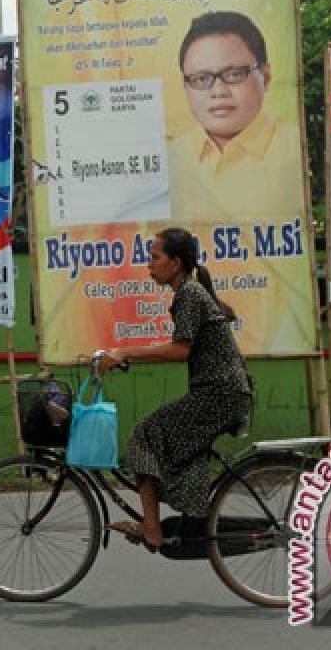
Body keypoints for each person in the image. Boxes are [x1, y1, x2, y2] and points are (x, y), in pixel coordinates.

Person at [97, 227, 252, 550]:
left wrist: (126, 352)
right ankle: (192, 521)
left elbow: (181, 349)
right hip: (221, 392)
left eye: (155, 258)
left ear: (176, 263)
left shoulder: (190, 295)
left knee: (146, 436)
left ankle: (151, 528)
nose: (149, 265)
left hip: (219, 394)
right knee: (180, 449)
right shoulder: (188, 293)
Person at [167, 11, 303, 220]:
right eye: (201, 79)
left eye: (234, 75)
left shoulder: (296, 149)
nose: (219, 91)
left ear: (265, 77)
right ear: (186, 86)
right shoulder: (170, 159)